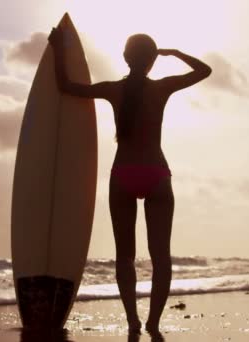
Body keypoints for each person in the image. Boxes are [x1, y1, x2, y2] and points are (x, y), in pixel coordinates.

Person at [48, 27, 212, 336]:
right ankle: (153, 323)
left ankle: (133, 321)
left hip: (123, 175)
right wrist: (173, 53)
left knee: (125, 256)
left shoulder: (113, 90)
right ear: (152, 61)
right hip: (157, 175)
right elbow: (205, 70)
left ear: (125, 58)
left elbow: (65, 86)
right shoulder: (162, 87)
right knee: (161, 256)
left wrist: (58, 49)